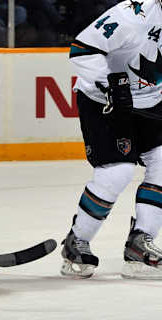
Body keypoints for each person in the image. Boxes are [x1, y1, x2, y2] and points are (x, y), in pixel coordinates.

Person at [63, 0, 162, 279]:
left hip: (151, 101)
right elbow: (82, 50)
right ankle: (77, 240)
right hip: (102, 100)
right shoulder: (131, 15)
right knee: (118, 172)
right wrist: (109, 84)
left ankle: (139, 246)